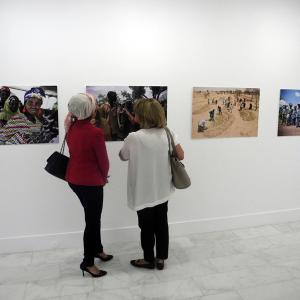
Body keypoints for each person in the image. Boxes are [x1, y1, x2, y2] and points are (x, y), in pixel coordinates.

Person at [119, 99, 184, 270]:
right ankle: (161, 258)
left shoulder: (134, 137)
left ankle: (148, 259)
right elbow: (181, 155)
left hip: (143, 192)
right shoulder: (168, 133)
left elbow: (122, 156)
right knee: (162, 223)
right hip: (163, 189)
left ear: (142, 116)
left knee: (146, 227)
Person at [65, 93, 112, 278]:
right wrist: (104, 176)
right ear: (90, 110)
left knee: (93, 218)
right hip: (90, 182)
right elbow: (104, 161)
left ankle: (98, 249)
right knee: (92, 221)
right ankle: (88, 262)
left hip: (74, 179)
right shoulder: (95, 132)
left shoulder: (71, 127)